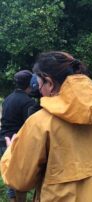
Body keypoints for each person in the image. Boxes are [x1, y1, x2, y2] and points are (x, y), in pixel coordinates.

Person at [1, 51, 92, 202]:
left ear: (49, 83)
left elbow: (19, 180)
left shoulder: (40, 123)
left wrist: (10, 152)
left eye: (39, 84)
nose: (39, 90)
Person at [0, 70, 35, 202]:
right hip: (16, 143)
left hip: (3, 141)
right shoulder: (28, 102)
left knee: (11, 179)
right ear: (31, 83)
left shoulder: (8, 99)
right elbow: (30, 127)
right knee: (20, 182)